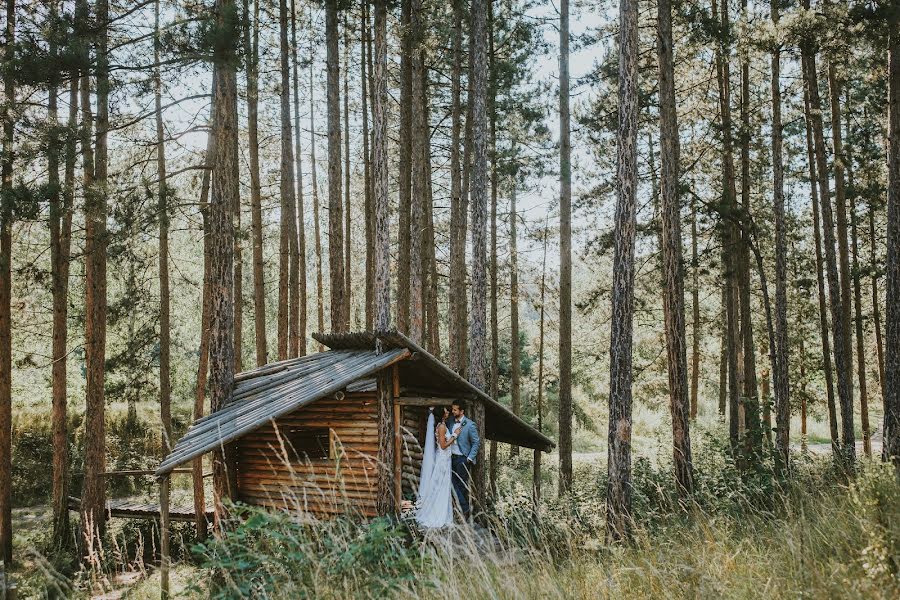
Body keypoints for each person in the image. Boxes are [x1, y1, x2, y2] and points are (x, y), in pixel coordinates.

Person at [415, 406, 456, 528]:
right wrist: (454, 436)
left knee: (441, 485)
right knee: (441, 486)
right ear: (442, 414)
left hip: (444, 458)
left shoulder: (440, 425)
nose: (448, 412)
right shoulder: (442, 427)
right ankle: (436, 513)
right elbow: (443, 446)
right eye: (446, 410)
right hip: (443, 459)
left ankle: (439, 510)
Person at [448, 401, 480, 521]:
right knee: (451, 483)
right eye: (453, 409)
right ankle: (465, 508)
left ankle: (461, 513)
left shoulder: (470, 425)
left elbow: (476, 442)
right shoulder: (451, 422)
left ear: (462, 411)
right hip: (451, 458)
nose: (453, 411)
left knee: (461, 485)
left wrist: (469, 458)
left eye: (455, 410)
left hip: (462, 459)